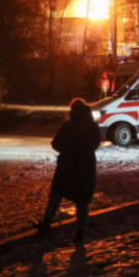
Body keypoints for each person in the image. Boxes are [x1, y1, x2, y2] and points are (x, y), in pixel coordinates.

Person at [35, 98, 101, 245]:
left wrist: (68, 148)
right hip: (85, 168)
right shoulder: (93, 127)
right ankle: (80, 233)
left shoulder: (68, 126)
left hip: (67, 166)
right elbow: (94, 144)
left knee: (56, 196)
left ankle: (46, 225)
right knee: (82, 201)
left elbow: (55, 143)